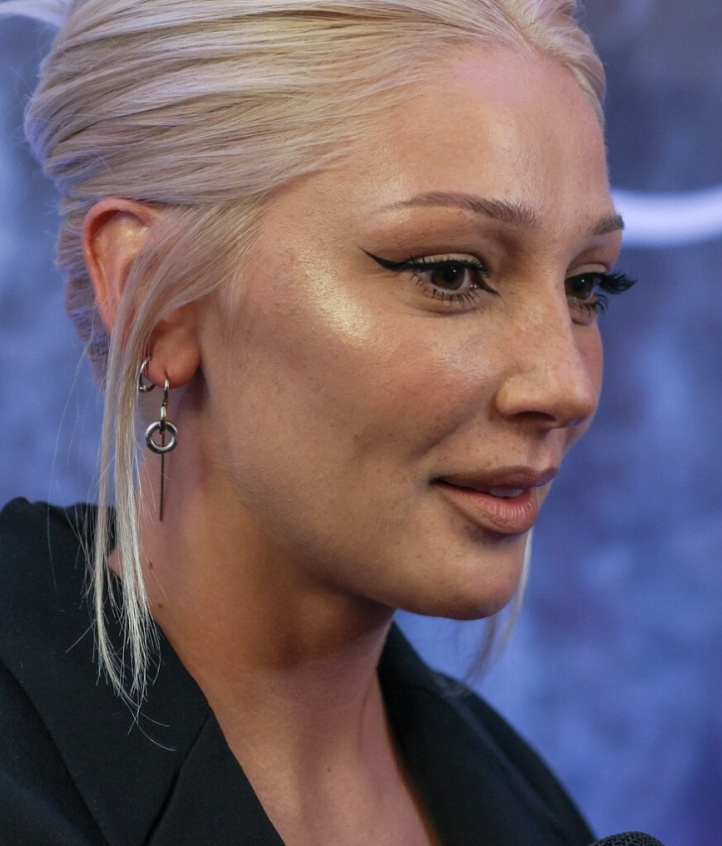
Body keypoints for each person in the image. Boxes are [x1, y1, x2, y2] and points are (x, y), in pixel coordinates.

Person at [0, 0, 634, 843]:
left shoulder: (529, 809)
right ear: (160, 297)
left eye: (587, 286)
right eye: (450, 273)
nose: (566, 385)